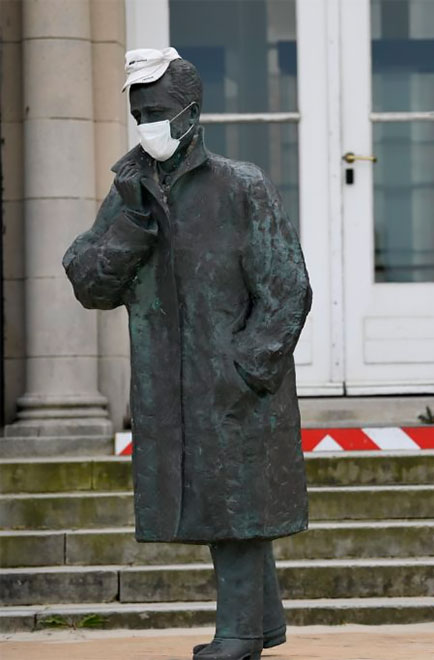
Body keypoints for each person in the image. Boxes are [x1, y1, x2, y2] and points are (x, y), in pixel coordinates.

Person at [63, 48, 312, 660]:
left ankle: (240, 635)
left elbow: (288, 290)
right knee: (226, 496)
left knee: (235, 500)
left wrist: (246, 369)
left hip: (235, 376)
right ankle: (265, 622)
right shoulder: (131, 191)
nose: (146, 123)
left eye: (157, 111)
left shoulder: (240, 184)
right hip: (167, 381)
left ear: (191, 114)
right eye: (138, 112)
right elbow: (90, 283)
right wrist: (133, 225)